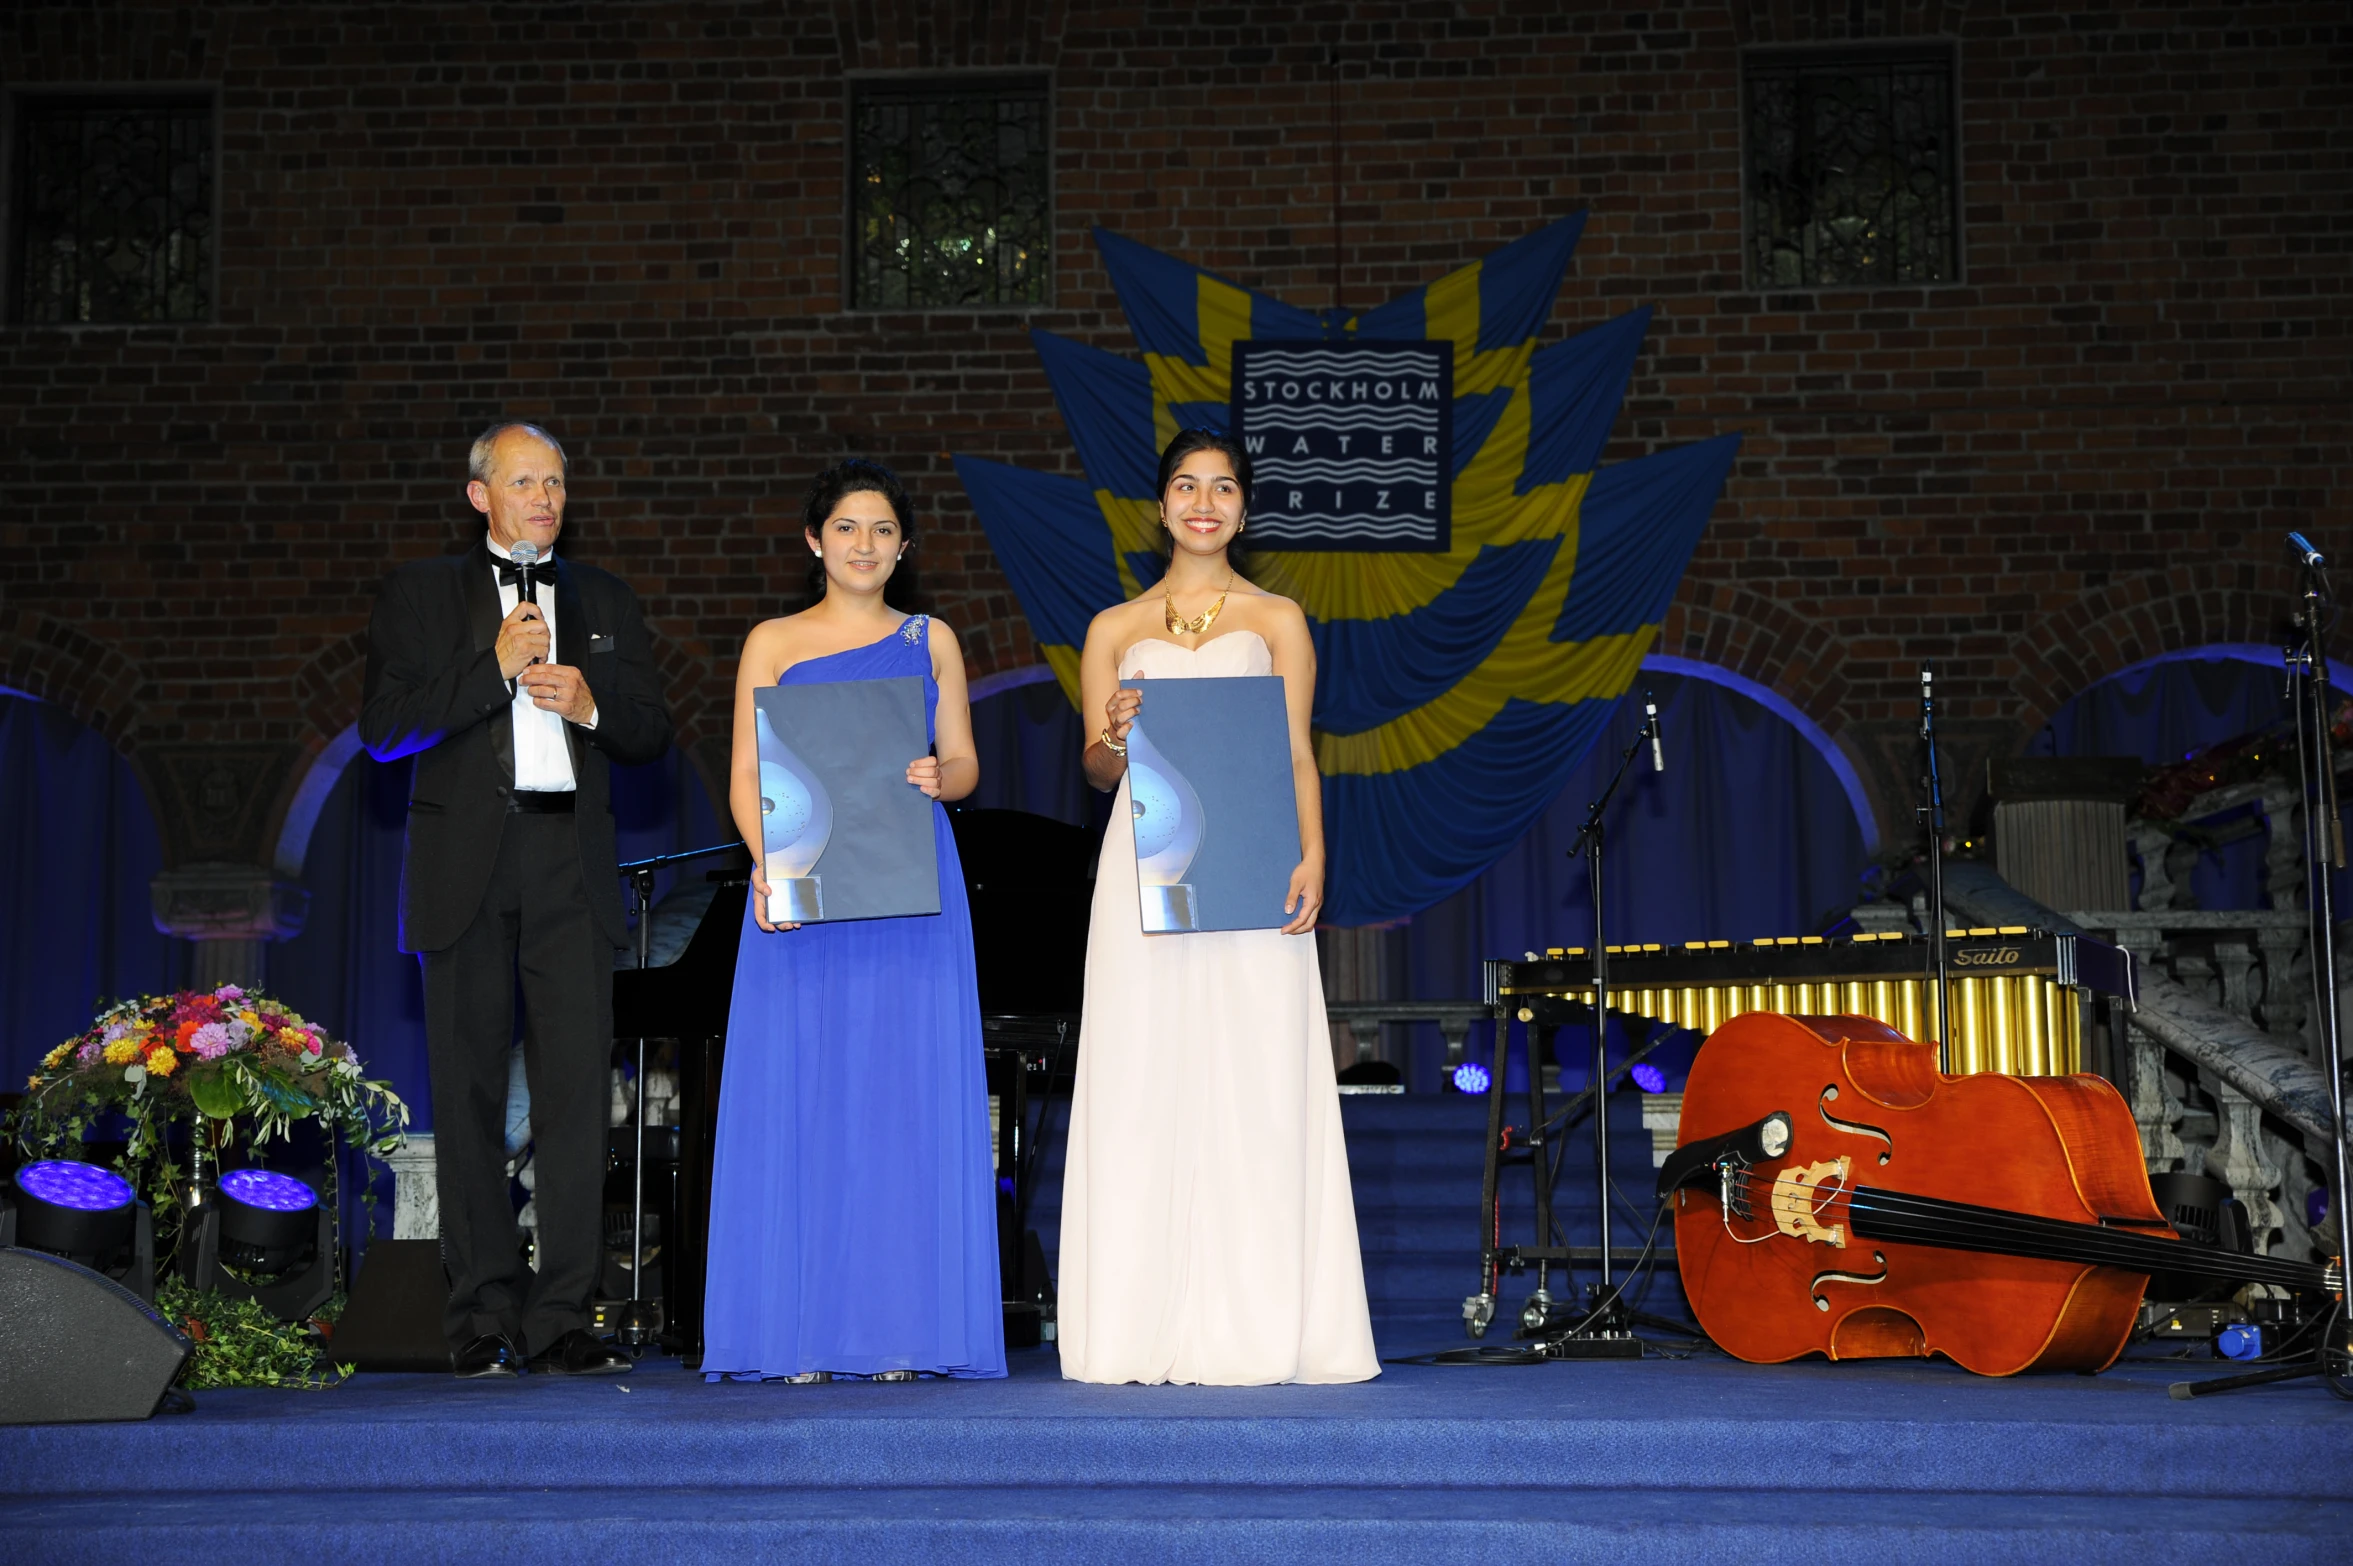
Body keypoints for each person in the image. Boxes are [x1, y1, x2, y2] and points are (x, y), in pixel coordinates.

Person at [1057, 428, 1379, 1386]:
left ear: (1244, 507)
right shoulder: (1113, 628)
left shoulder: (1278, 616)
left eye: (1224, 487)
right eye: (1187, 486)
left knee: (1255, 1077)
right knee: (1141, 1077)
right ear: (1159, 506)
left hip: (1248, 858)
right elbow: (1096, 771)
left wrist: (1311, 851)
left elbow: (1292, 753)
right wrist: (1113, 736)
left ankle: (1260, 1321)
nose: (1205, 501)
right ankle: (1132, 1322)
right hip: (1143, 866)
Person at [360, 421, 673, 1378]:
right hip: (466, 866)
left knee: (579, 1097)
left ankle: (563, 1317)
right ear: (480, 497)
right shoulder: (419, 594)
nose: (545, 498)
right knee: (468, 1093)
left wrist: (589, 707)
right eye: (525, 481)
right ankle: (480, 1315)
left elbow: (650, 730)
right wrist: (489, 671)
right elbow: (383, 730)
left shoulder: (605, 598)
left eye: (557, 483)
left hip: (568, 866)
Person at [700, 458, 1005, 1383]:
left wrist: (938, 779)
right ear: (814, 541)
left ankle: (898, 1335)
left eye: (881, 530)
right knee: (805, 1098)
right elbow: (748, 777)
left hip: (912, 884)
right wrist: (770, 863)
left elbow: (964, 764)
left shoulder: (933, 638)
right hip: (801, 883)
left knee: (898, 1108)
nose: (863, 545)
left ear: (903, 546)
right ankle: (796, 1334)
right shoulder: (773, 641)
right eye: (846, 528)